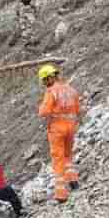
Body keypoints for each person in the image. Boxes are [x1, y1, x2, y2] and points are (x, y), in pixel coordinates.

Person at [37, 64, 83, 203]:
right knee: (68, 155)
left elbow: (44, 112)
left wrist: (43, 108)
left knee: (58, 158)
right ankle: (73, 181)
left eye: (45, 80)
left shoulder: (51, 92)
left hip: (57, 129)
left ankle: (61, 193)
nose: (44, 83)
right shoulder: (71, 90)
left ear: (49, 78)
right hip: (71, 127)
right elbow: (78, 109)